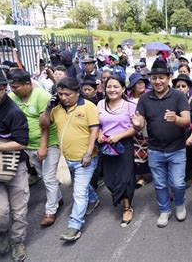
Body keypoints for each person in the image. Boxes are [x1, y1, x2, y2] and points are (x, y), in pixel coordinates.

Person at [131, 60, 191, 228]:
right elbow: (140, 123)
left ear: (169, 78)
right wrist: (136, 124)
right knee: (159, 184)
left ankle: (179, 204)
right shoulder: (144, 99)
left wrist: (176, 119)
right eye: (154, 77)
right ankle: (165, 210)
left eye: (161, 77)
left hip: (177, 149)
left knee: (178, 183)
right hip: (155, 149)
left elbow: (187, 121)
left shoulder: (178, 96)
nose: (158, 81)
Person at [40, 77, 100, 242]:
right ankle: (94, 199)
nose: (64, 98)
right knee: (82, 186)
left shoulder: (89, 107)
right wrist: (47, 108)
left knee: (78, 193)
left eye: (67, 94)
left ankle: (74, 226)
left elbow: (94, 131)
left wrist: (88, 153)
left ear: (77, 92)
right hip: (66, 159)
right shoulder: (56, 108)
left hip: (85, 159)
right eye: (60, 94)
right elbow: (43, 124)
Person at [0, 66, 29, 261]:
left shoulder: (14, 111)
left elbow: (21, 143)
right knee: (0, 212)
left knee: (19, 209)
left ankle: (18, 241)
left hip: (16, 166)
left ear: (5, 87)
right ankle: (2, 232)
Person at [8, 69, 63, 228]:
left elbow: (45, 125)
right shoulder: (12, 98)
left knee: (49, 177)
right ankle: (58, 198)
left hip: (48, 143)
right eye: (11, 86)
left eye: (17, 87)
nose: (13, 90)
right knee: (43, 175)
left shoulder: (41, 96)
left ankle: (51, 211)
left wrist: (43, 147)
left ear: (28, 84)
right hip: (27, 145)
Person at [97, 75, 137, 227]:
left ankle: (127, 207)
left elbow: (136, 128)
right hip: (106, 147)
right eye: (109, 86)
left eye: (116, 86)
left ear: (123, 89)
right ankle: (119, 196)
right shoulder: (100, 104)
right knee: (109, 179)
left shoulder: (130, 106)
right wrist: (100, 133)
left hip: (124, 145)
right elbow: (96, 124)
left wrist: (119, 136)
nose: (112, 90)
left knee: (124, 178)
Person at [172, 74, 192, 186]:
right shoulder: (171, 102)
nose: (180, 88)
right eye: (178, 86)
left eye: (183, 86)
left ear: (188, 87)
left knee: (191, 158)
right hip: (176, 136)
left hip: (191, 134)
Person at [127, 73, 152, 188]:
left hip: (148, 127)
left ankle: (151, 174)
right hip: (132, 129)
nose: (141, 85)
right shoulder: (128, 98)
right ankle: (141, 176)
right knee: (138, 154)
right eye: (138, 83)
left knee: (149, 151)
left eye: (142, 82)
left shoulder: (149, 96)